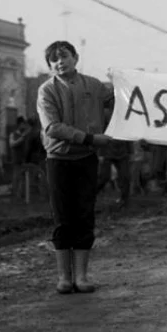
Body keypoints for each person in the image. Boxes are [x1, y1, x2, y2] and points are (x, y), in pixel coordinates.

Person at [37, 40, 113, 294]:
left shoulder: (94, 86)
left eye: (64, 56)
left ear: (76, 57)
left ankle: (81, 275)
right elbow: (52, 127)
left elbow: (123, 97)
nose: (60, 62)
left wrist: (124, 80)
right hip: (58, 160)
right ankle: (63, 277)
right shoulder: (46, 90)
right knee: (62, 217)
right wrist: (89, 138)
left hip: (86, 159)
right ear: (50, 66)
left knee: (84, 215)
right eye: (54, 60)